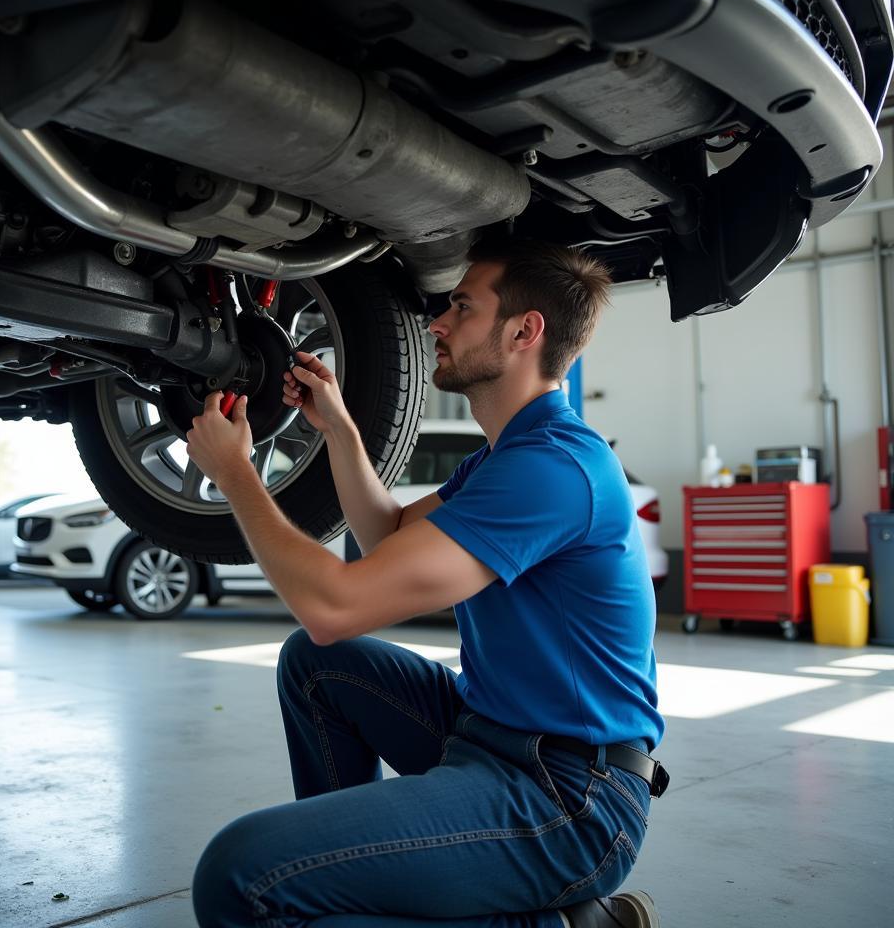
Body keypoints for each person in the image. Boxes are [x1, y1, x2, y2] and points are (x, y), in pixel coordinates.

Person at [185, 236, 667, 928]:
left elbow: (333, 605)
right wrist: (341, 431)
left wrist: (236, 477)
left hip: (569, 796)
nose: (437, 324)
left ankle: (557, 924)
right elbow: (387, 537)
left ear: (524, 331)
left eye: (461, 308)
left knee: (241, 877)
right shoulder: (508, 458)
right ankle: (350, 876)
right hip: (490, 733)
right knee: (318, 666)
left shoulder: (554, 469)